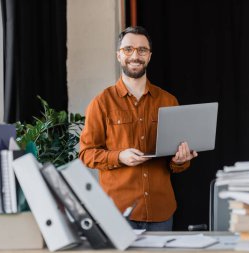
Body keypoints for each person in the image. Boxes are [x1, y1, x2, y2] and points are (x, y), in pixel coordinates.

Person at [79, 26, 198, 231]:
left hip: (161, 212)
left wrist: (180, 160)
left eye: (142, 50)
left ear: (149, 56)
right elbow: (86, 154)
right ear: (119, 55)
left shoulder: (169, 101)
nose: (135, 55)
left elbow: (178, 164)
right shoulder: (101, 103)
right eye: (128, 49)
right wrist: (119, 157)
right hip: (117, 212)